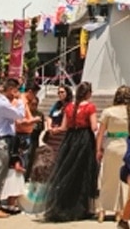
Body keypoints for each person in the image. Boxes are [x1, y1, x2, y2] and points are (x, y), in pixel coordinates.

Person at [44, 81, 99, 222]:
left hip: (70, 139)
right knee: (84, 172)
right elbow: (93, 127)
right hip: (84, 139)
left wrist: (54, 130)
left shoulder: (69, 107)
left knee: (68, 171)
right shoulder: (90, 107)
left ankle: (65, 205)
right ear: (88, 93)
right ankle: (82, 208)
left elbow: (63, 127)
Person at [96, 86, 130, 223]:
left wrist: (98, 149)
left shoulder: (108, 111)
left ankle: (102, 209)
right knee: (125, 180)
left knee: (107, 178)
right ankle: (121, 210)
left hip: (112, 146)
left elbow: (100, 133)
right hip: (128, 146)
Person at [0, 78, 25, 218]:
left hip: (5, 141)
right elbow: (19, 115)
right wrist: (20, 101)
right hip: (0, 142)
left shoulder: (3, 103)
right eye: (16, 90)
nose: (17, 93)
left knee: (1, 175)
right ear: (10, 89)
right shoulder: (2, 103)